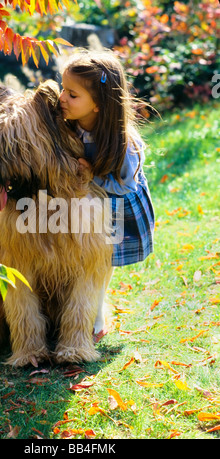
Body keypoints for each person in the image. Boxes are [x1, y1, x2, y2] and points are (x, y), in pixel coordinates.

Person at [59, 50, 155, 341]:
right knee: (77, 259)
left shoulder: (125, 144)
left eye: (72, 94)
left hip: (115, 208)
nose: (62, 97)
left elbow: (126, 186)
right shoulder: (69, 125)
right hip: (82, 204)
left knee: (101, 262)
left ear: (98, 105)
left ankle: (97, 311)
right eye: (63, 88)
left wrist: (93, 177)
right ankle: (70, 306)